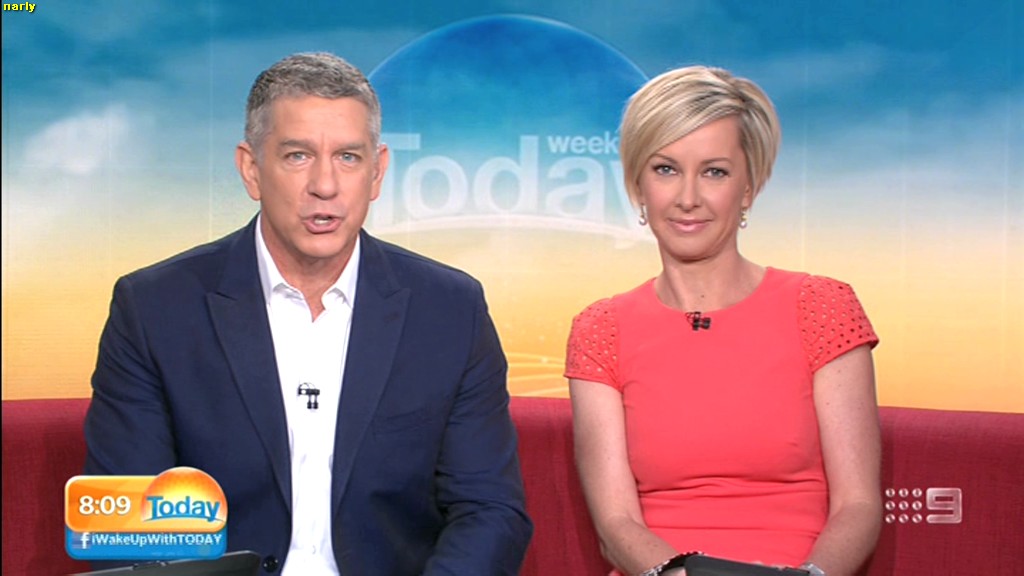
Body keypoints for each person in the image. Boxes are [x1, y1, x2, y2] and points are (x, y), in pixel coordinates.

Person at [84, 52, 532, 575]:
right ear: (251, 169)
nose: (325, 184)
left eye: (348, 157)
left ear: (377, 172)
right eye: (297, 156)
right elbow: (127, 529)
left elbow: (489, 510)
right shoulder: (155, 309)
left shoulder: (450, 310)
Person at [565, 66, 881, 576]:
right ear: (638, 186)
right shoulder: (602, 329)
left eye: (714, 172)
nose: (688, 197)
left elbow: (858, 507)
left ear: (748, 188)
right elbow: (616, 525)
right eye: (666, 169)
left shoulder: (823, 307)